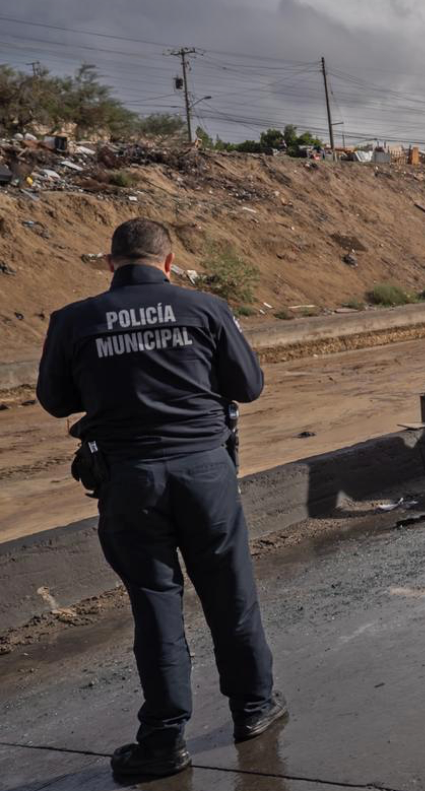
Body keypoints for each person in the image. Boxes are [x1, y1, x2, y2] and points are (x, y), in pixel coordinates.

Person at [36, 219, 286, 779]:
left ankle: (163, 741)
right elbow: (248, 386)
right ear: (168, 262)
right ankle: (253, 709)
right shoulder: (206, 310)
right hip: (206, 474)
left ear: (110, 264)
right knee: (232, 595)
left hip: (129, 481)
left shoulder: (74, 321)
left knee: (155, 606)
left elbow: (54, 400)